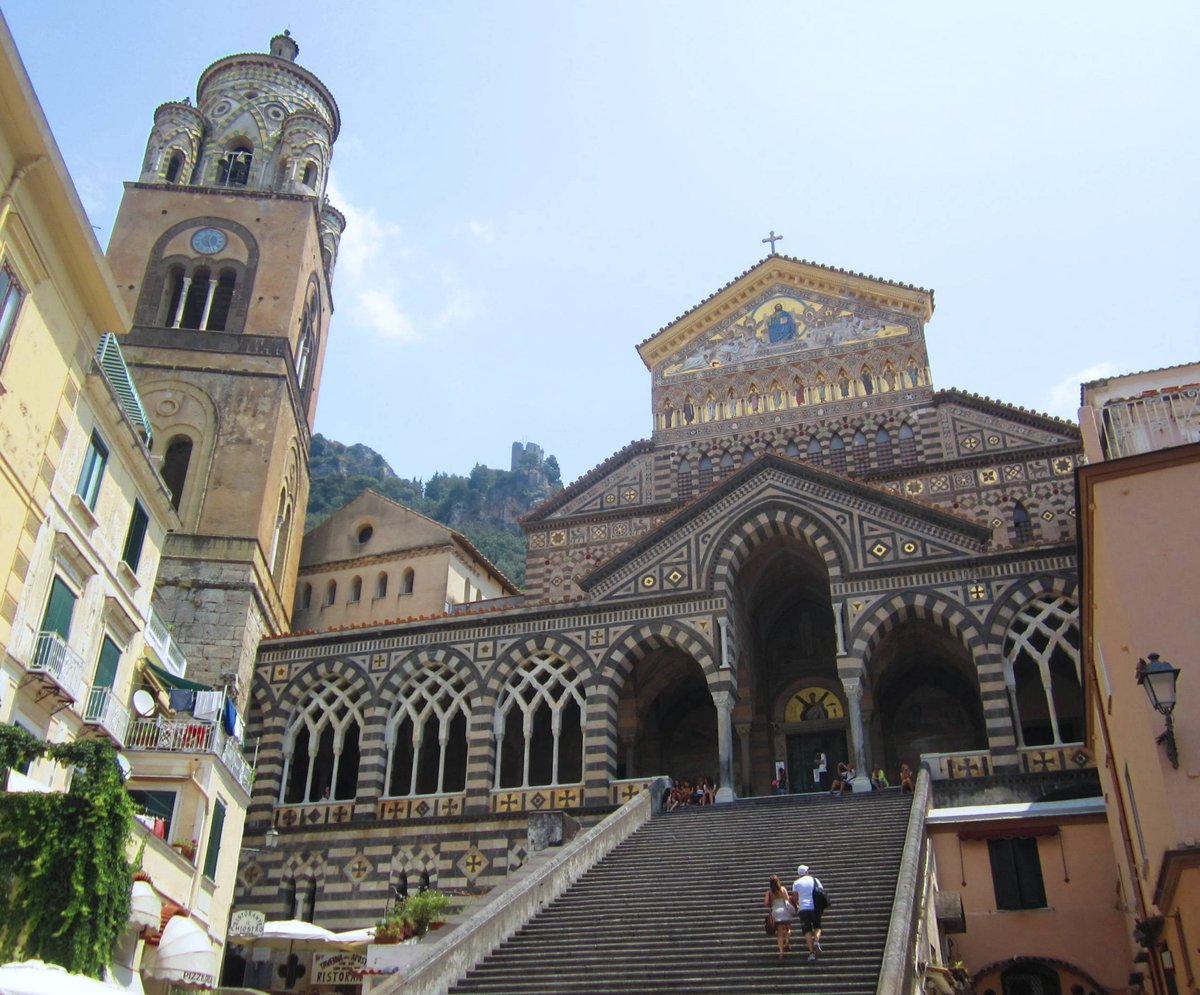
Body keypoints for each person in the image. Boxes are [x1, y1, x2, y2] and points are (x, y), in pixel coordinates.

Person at [791, 864, 825, 961]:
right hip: (814, 907)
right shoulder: (815, 880)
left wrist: (797, 905)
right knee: (817, 927)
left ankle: (811, 953)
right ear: (806, 872)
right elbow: (821, 892)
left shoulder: (796, 883)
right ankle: (816, 941)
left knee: (807, 931)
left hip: (803, 909)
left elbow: (795, 898)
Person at [763, 873, 795, 960]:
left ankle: (781, 952)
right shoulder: (783, 889)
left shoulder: (769, 892)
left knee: (779, 934)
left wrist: (771, 903)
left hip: (776, 912)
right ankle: (787, 941)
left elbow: (766, 903)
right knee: (788, 928)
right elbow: (787, 899)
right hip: (784, 911)